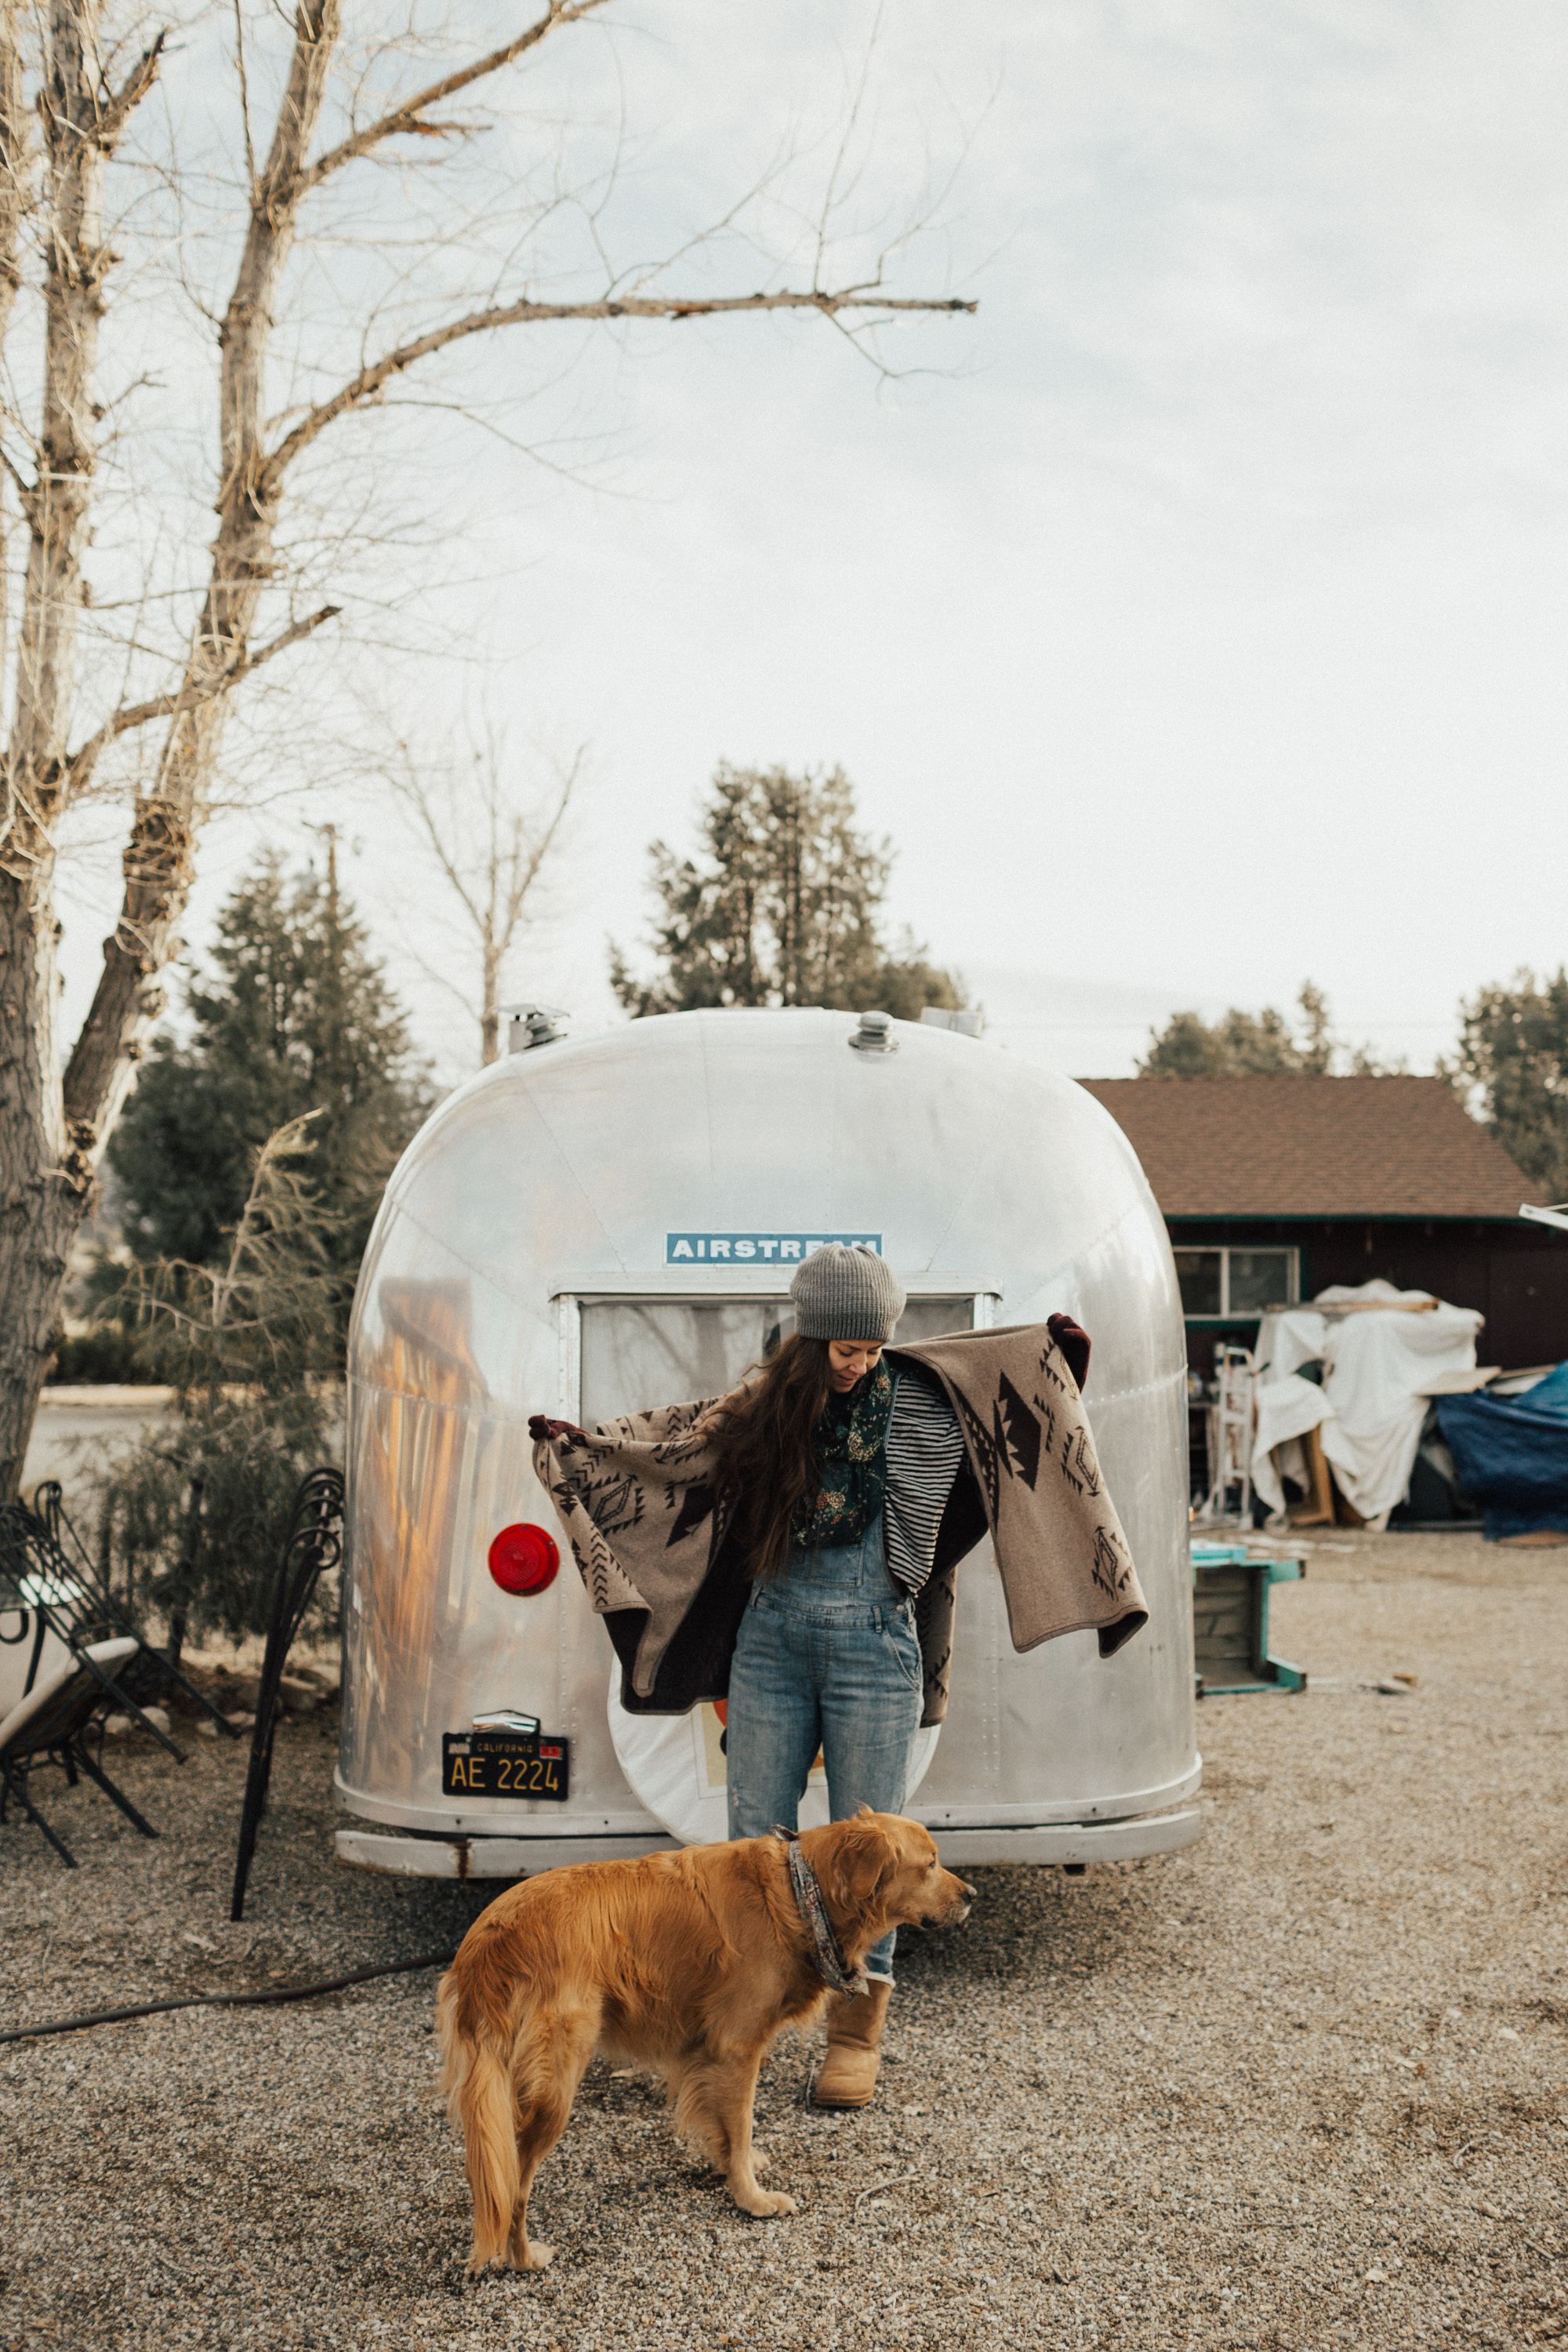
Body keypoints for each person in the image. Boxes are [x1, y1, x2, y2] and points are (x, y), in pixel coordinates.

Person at [701, 1241, 967, 2109]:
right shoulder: (761, 1412)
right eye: (843, 1349)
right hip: (771, 1643)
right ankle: (736, 2021)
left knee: (879, 1856)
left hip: (873, 1648)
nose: (859, 1363)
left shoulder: (918, 1406)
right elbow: (686, 1473)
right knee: (752, 1844)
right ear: (808, 1341)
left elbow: (999, 1426)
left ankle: (854, 2036)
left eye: (871, 1349)